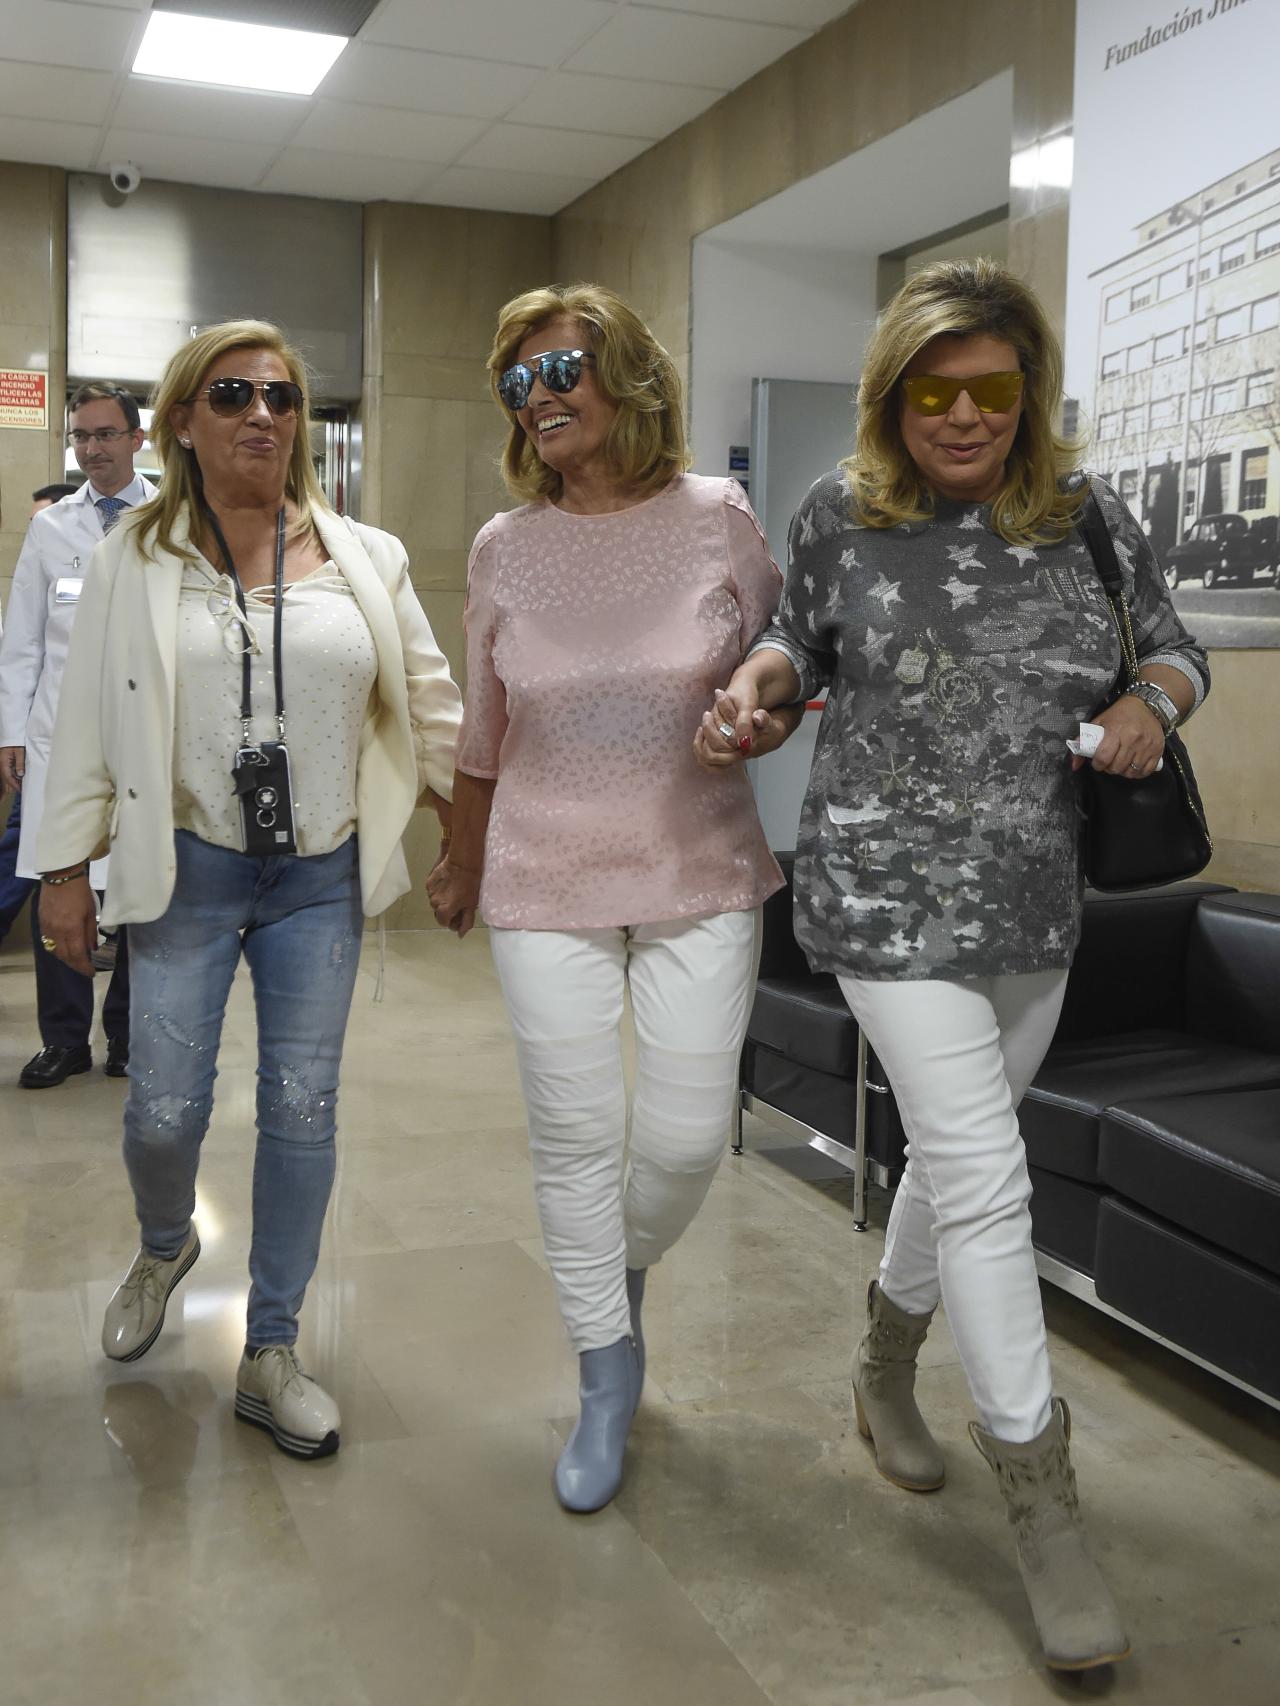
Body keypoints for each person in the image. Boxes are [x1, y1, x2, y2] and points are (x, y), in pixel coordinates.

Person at [702, 260, 1209, 1673]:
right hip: (876, 897)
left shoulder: (1092, 521)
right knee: (987, 1170)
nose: (969, 414)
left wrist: (1145, 707)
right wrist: (759, 686)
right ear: (896, 394)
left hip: (1039, 904)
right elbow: (796, 644)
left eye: (996, 388)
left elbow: (1171, 653)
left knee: (949, 1157)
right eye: (940, 390)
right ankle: (1044, 1504)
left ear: (1029, 393)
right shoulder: (840, 516)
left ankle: (878, 1368)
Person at [37, 320, 462, 1458]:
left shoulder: (366, 552)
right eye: (231, 394)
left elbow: (427, 701)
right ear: (183, 420)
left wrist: (466, 830)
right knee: (163, 1108)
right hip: (185, 868)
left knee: (301, 1106)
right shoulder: (135, 554)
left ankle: (271, 1345)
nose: (262, 414)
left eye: (280, 395)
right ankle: (166, 1239)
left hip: (315, 876)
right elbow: (80, 717)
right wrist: (63, 871)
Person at [428, 283, 797, 1513]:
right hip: (544, 872)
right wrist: (463, 857)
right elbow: (483, 729)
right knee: (575, 1133)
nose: (537, 397)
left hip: (697, 865)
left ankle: (612, 1274)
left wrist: (758, 708)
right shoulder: (502, 545)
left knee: (685, 1139)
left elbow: (792, 666)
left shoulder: (716, 517)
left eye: (560, 369)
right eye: (516, 381)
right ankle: (603, 1366)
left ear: (626, 375)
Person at [0, 388, 155, 1086]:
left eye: (106, 435)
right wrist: (10, 731)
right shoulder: (51, 528)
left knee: (138, 888)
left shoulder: (170, 518)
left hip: (141, 738)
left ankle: (126, 1035)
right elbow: (21, 640)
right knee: (56, 881)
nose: (92, 449)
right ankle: (64, 1041)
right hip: (58, 737)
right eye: (81, 436)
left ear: (137, 438)